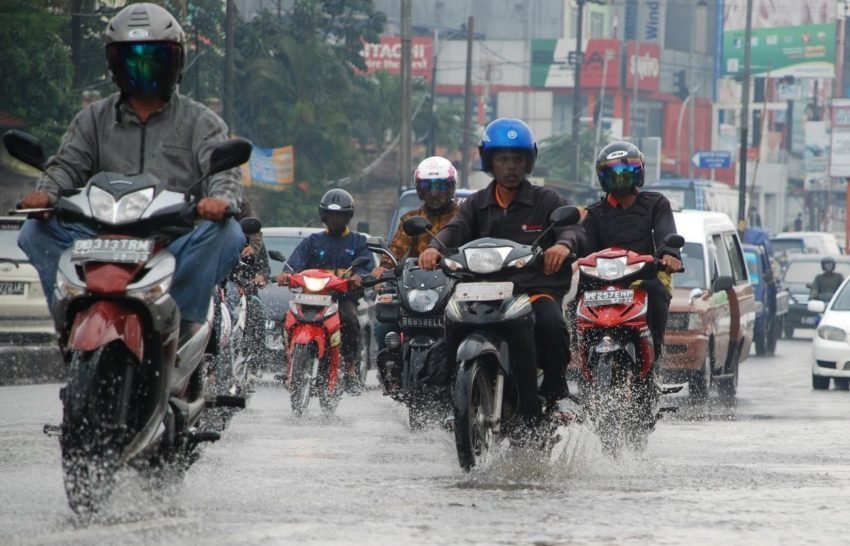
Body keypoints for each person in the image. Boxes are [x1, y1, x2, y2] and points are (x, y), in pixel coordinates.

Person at [16, 3, 244, 335]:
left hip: (171, 239)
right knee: (34, 231)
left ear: (174, 62)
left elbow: (222, 170)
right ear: (115, 64)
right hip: (98, 237)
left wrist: (221, 200)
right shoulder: (93, 118)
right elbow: (66, 165)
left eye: (154, 58)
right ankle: (69, 315)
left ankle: (182, 319)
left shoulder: (201, 121)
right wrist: (46, 193)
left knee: (229, 234)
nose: (143, 66)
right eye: (132, 58)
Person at [418, 118, 585, 424]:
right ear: (489, 162)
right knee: (450, 321)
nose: (510, 166)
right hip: (480, 289)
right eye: (503, 159)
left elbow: (572, 229)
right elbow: (455, 230)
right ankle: (454, 395)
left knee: (552, 325)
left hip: (532, 290)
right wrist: (433, 248)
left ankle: (554, 393)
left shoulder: (547, 200)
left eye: (517, 159)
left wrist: (563, 245)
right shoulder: (475, 204)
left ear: (528, 162)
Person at [581, 141, 682, 360]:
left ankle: (655, 352)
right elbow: (583, 248)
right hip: (602, 280)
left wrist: (669, 255)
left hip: (645, 275)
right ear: (602, 176)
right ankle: (577, 352)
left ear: (639, 172)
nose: (620, 177)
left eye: (626, 171)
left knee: (656, 292)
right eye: (613, 172)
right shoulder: (594, 213)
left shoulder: (656, 203)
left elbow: (667, 234)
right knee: (573, 298)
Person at [275, 189, 372, 394]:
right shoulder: (312, 241)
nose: (335, 219)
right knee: (287, 319)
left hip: (342, 298)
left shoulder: (358, 242)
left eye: (340, 215)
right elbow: (295, 263)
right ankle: (290, 364)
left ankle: (350, 368)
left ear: (348, 216)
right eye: (331, 215)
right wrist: (286, 274)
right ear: (323, 216)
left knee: (349, 320)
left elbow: (366, 268)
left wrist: (358, 278)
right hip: (311, 296)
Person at [371, 156, 460, 351]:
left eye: (440, 187)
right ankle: (392, 376)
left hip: (454, 286)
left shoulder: (463, 216)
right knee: (384, 327)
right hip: (416, 287)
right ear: (420, 190)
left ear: (451, 187)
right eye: (428, 187)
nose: (434, 194)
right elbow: (396, 250)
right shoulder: (411, 219)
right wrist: (383, 268)